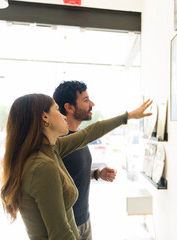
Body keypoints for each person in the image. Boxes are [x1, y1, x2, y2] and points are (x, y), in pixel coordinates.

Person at [0, 93, 152, 240]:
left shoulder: (52, 149)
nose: (63, 116)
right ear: (45, 117)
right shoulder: (42, 166)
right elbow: (61, 234)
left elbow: (89, 133)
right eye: (58, 110)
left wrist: (128, 116)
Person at [52, 80, 118, 240]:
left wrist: (97, 174)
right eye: (86, 100)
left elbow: (70, 174)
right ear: (69, 107)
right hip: (67, 227)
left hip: (84, 220)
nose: (92, 104)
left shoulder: (79, 136)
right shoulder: (57, 142)